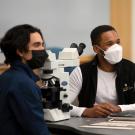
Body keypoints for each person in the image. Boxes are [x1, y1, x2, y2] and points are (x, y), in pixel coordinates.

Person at [68, 25, 135, 118]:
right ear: (96, 49)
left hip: (126, 124)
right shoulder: (81, 72)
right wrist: (86, 111)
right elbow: (61, 106)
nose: (116, 48)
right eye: (109, 44)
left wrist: (120, 108)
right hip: (89, 125)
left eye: (118, 42)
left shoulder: (131, 69)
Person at [0, 24, 50, 135]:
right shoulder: (23, 84)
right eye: (37, 45)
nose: (42, 49)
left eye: (43, 44)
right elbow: (37, 130)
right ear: (21, 51)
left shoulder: (6, 77)